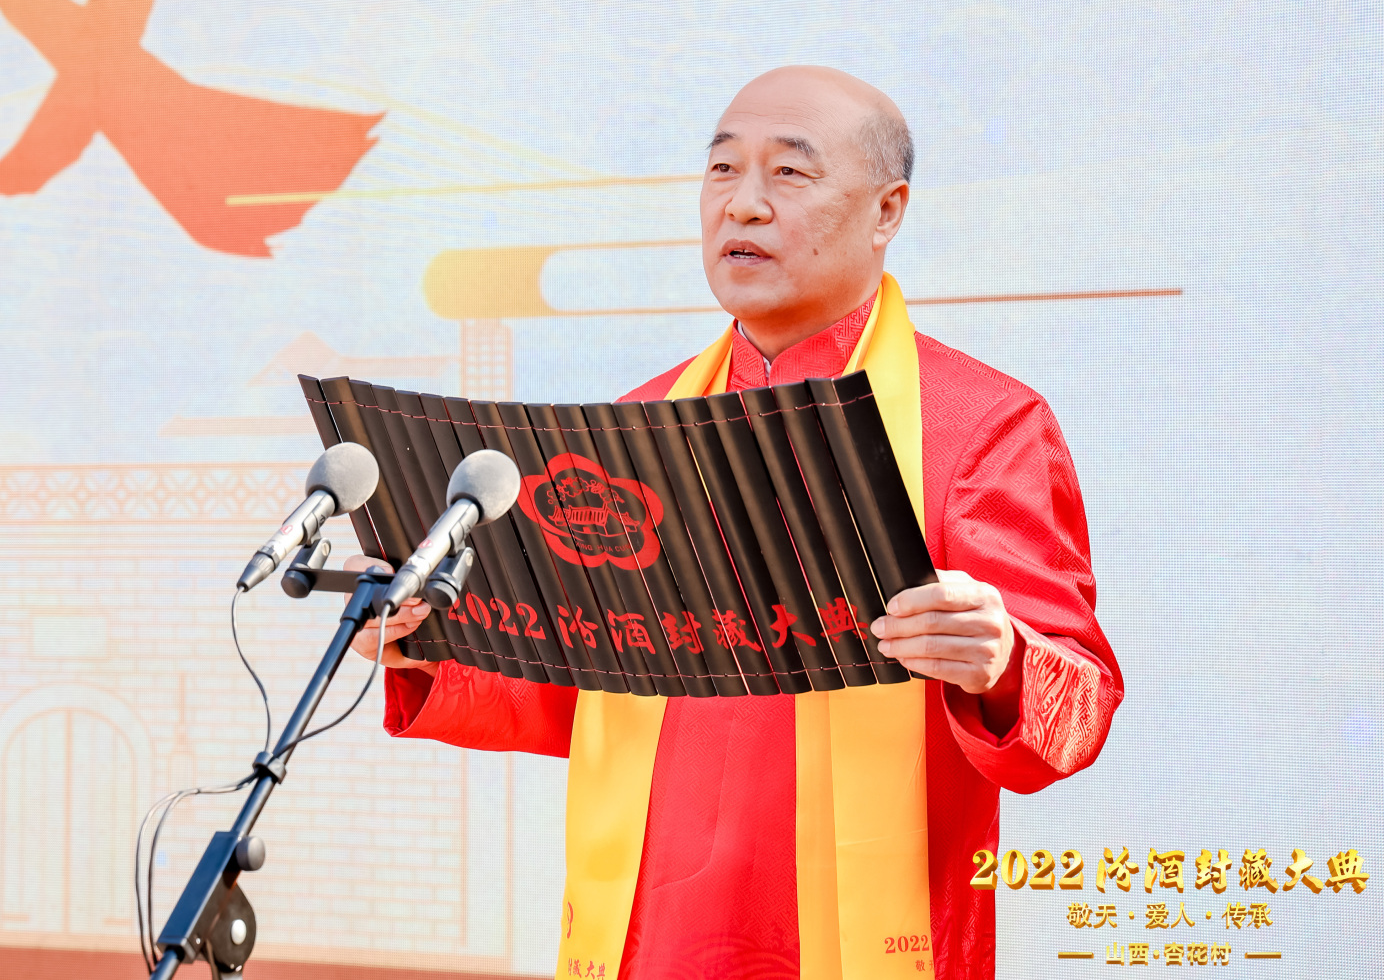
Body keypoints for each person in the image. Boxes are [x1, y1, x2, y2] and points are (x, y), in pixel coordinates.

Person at [347, 66, 1122, 980]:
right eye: (722, 170)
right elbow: (576, 682)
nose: (742, 204)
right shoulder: (637, 426)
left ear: (887, 211)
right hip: (653, 936)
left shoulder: (978, 425)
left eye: (789, 172)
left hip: (859, 943)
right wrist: (425, 640)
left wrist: (1004, 660)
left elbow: (1080, 706)